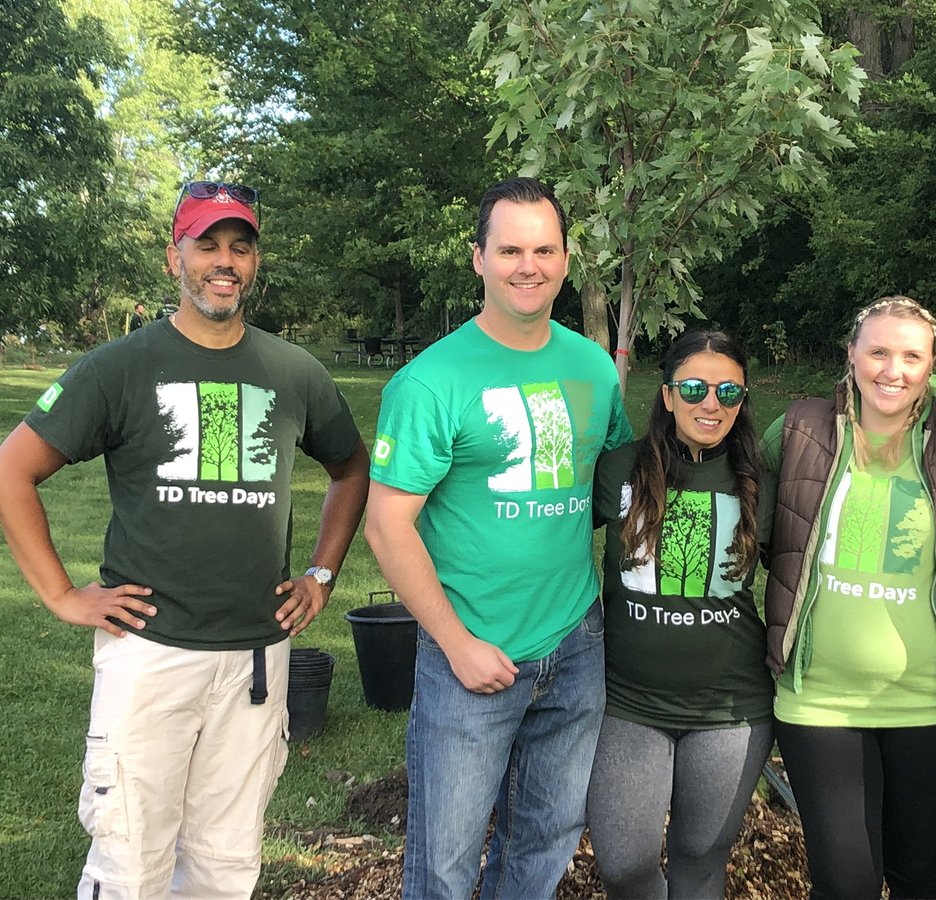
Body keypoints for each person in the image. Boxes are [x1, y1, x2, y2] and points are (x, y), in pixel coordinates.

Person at [0, 180, 370, 900]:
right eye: (207, 244)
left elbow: (350, 465)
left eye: (240, 246)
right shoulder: (120, 366)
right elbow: (13, 470)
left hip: (257, 660)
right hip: (151, 656)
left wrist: (321, 575)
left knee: (225, 869)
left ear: (256, 262)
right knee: (129, 864)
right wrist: (60, 594)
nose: (224, 262)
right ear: (175, 257)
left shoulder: (294, 372)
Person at [363, 177, 632, 899]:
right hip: (470, 652)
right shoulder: (432, 381)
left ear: (567, 260)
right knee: (444, 865)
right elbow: (386, 525)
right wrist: (455, 643)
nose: (528, 265)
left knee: (544, 844)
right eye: (509, 248)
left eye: (544, 249)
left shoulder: (594, 367)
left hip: (575, 645)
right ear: (477, 257)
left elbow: (611, 484)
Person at [760, 295, 936, 900]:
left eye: (912, 355)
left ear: (932, 364)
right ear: (851, 354)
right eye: (879, 351)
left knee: (922, 880)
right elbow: (759, 531)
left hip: (935, 708)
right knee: (845, 884)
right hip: (820, 705)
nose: (894, 369)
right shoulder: (800, 428)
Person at [587, 331, 773, 900]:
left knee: (699, 859)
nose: (709, 403)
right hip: (628, 701)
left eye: (727, 391)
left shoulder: (763, 479)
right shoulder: (619, 467)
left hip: (731, 707)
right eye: (693, 387)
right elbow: (544, 537)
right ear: (667, 395)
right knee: (623, 864)